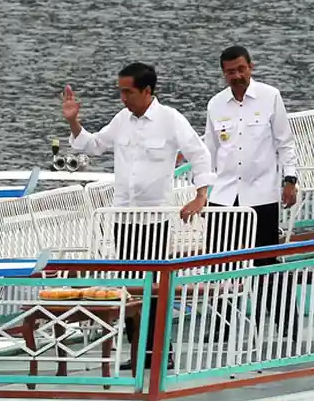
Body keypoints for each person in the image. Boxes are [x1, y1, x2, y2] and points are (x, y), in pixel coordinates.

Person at [63, 63, 215, 368]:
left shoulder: (170, 119)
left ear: (147, 91)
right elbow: (94, 146)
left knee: (153, 288)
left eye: (128, 92)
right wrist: (73, 121)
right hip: (124, 218)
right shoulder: (122, 120)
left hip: (155, 219)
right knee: (130, 288)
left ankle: (159, 354)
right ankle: (137, 354)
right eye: (121, 91)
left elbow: (200, 154)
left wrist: (201, 195)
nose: (123, 98)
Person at [203, 46, 299, 341]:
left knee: (266, 263)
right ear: (224, 73)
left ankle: (286, 325)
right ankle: (220, 327)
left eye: (241, 69)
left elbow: (285, 143)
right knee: (221, 264)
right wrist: (202, 189)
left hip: (261, 194)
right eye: (230, 72)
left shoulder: (270, 96)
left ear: (250, 67)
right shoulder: (216, 104)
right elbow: (209, 151)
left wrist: (290, 180)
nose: (236, 76)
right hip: (224, 195)